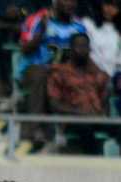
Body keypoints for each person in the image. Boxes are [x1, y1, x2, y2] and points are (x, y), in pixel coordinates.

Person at [18, 0, 86, 144]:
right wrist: (42, 31)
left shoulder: (80, 26)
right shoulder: (37, 19)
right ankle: (33, 128)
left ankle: (67, 133)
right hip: (34, 67)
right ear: (55, 2)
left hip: (62, 71)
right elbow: (24, 50)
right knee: (42, 75)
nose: (70, 4)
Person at [47, 33, 110, 155]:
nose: (82, 49)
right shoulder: (59, 72)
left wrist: (104, 113)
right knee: (85, 127)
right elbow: (54, 104)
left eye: (85, 46)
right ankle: (94, 162)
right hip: (73, 118)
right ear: (71, 49)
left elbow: (105, 97)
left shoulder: (97, 73)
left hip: (96, 118)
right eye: (78, 46)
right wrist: (81, 113)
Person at [0, 0, 38, 87]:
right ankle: (0, 73)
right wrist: (11, 25)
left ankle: (23, 79)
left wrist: (20, 12)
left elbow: (30, 13)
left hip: (20, 29)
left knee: (34, 36)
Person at [83, 0, 121, 76]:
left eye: (114, 6)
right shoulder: (88, 24)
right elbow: (84, 53)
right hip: (88, 74)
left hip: (113, 78)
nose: (109, 9)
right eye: (107, 4)